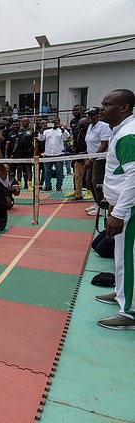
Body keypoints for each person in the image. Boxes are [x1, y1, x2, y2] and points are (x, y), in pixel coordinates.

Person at [93, 89, 135, 330]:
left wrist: (119, 213)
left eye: (108, 104)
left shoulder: (128, 135)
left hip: (128, 209)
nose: (102, 108)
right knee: (120, 258)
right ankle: (122, 294)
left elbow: (133, 176)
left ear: (124, 108)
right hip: (119, 206)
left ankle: (129, 312)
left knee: (128, 258)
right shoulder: (121, 132)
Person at [83, 107, 111, 216]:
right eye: (88, 115)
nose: (90, 117)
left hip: (100, 159)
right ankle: (97, 203)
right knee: (89, 181)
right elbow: (91, 143)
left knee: (97, 183)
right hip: (92, 158)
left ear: (98, 115)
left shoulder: (104, 127)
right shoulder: (90, 126)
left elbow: (104, 145)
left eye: (92, 115)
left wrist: (93, 159)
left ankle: (103, 208)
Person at [38, 118, 69, 191]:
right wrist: (42, 130)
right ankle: (48, 186)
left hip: (59, 154)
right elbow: (40, 139)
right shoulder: (47, 131)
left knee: (59, 171)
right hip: (47, 154)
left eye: (56, 122)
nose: (54, 123)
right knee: (47, 171)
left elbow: (67, 137)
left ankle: (59, 186)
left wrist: (62, 128)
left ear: (59, 122)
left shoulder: (61, 131)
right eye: (53, 122)